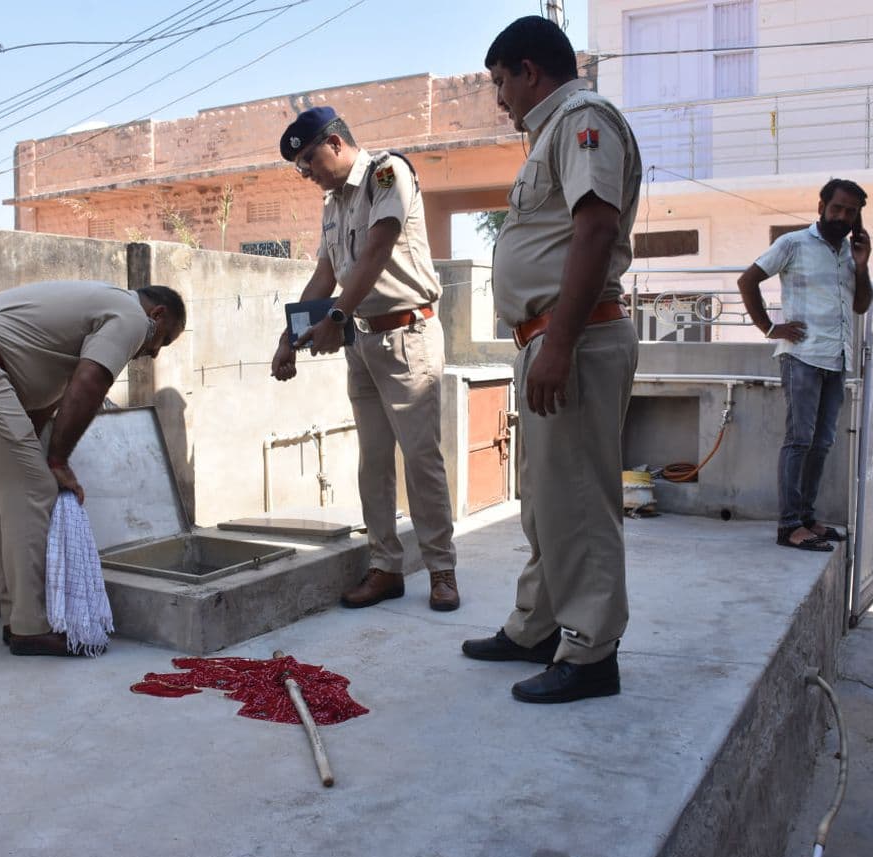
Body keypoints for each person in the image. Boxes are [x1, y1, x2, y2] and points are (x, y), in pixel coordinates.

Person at [459, 16, 641, 704]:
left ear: (530, 70)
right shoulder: (553, 133)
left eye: (501, 81)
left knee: (580, 502)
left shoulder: (582, 119)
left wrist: (559, 342)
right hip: (550, 337)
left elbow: (595, 229)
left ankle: (591, 652)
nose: (499, 97)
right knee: (543, 499)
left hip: (579, 337)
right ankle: (538, 625)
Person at [0, 281, 186, 657]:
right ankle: (31, 627)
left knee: (2, 493)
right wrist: (56, 462)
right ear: (158, 316)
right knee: (34, 490)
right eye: (162, 341)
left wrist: (42, 459)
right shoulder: (131, 316)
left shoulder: (85, 317)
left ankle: (15, 617)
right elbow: (92, 381)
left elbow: (33, 414)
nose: (151, 353)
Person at [269, 106, 459, 613]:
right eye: (300, 166)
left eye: (309, 159)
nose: (306, 172)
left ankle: (442, 569)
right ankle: (385, 568)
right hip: (362, 344)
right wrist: (290, 336)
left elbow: (378, 250)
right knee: (372, 462)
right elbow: (325, 274)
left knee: (420, 459)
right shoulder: (332, 203)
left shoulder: (385, 174)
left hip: (408, 336)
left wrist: (334, 318)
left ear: (335, 144)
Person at [737, 180, 873, 551]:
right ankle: (789, 525)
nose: (843, 216)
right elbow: (748, 280)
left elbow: (861, 305)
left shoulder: (850, 252)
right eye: (838, 208)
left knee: (823, 442)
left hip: (837, 357)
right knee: (799, 440)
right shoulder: (793, 243)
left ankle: (808, 517)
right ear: (821, 207)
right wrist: (769, 327)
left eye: (851, 212)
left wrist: (861, 266)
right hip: (802, 357)